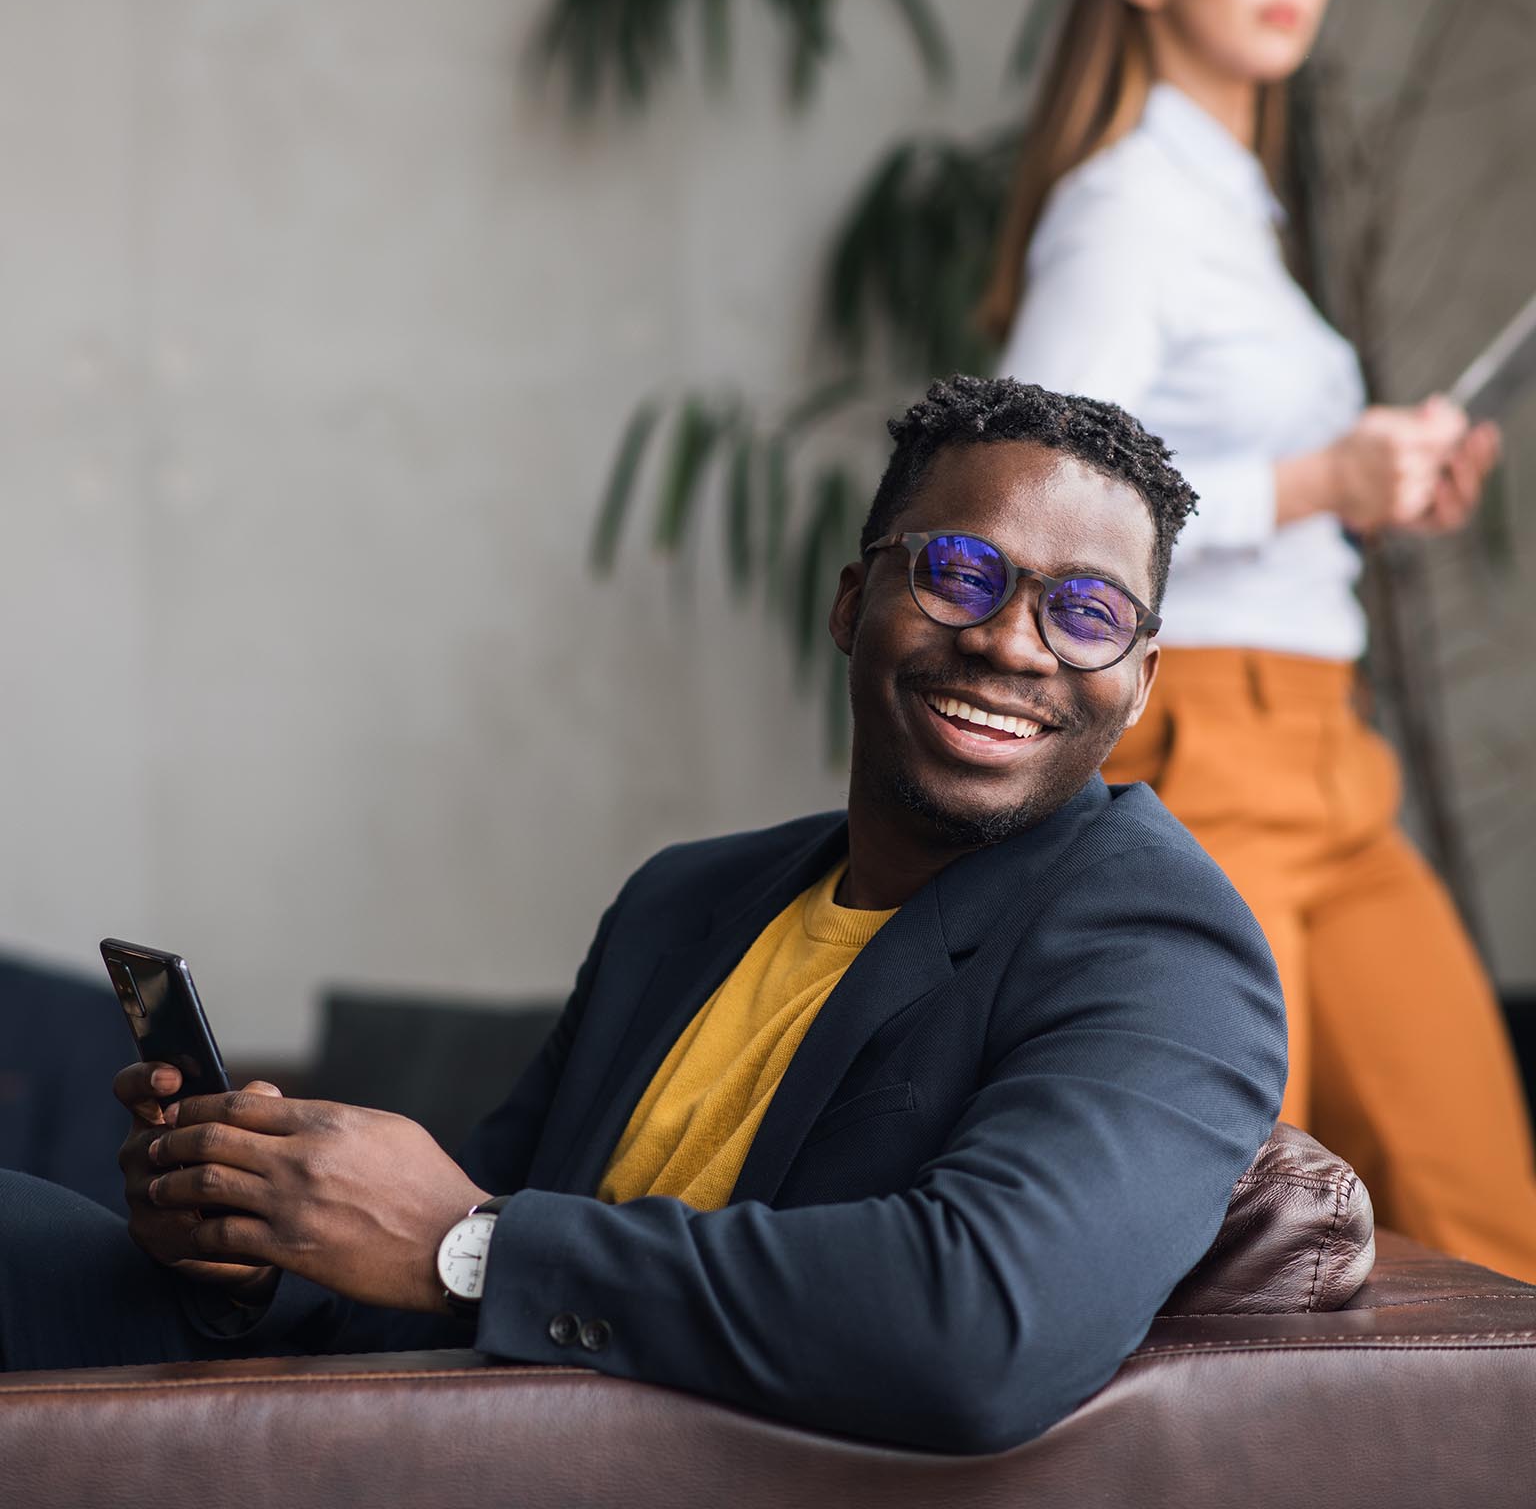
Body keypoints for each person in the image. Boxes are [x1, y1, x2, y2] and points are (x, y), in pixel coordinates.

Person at [0, 377, 1286, 1454]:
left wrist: (469, 1246)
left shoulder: (1157, 940)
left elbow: (987, 1323)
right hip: (472, 1438)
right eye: (960, 572)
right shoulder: (691, 901)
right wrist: (258, 1242)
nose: (1015, 643)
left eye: (1087, 613)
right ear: (853, 604)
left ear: (1138, 682)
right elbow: (439, 1301)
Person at [981, 0, 1536, 1281]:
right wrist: (1317, 484)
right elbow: (1041, 500)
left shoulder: (1233, 203)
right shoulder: (1126, 207)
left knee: (1487, 1208)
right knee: (1224, 1238)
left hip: (1328, 754)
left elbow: (1221, 485)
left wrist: (1363, 495)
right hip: (1208, 752)